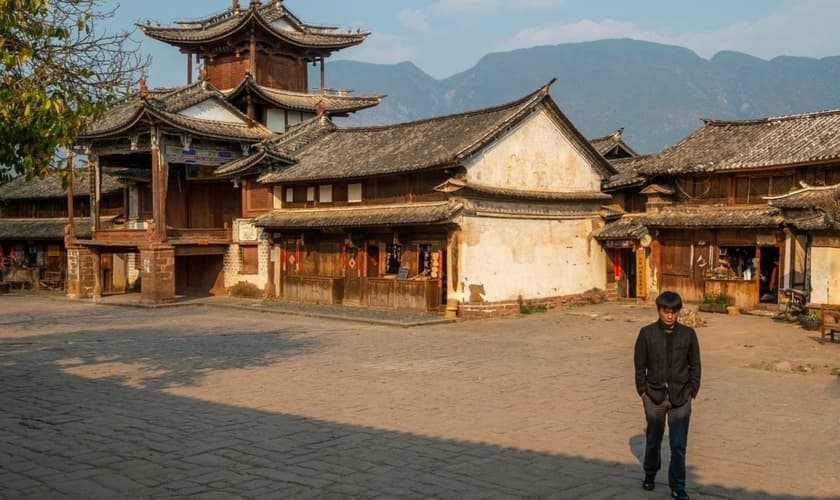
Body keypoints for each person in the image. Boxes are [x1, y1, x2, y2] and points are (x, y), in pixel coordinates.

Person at [634, 291, 701, 500]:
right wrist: (642, 391)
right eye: (666, 311)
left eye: (673, 312)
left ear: (678, 312)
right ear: (659, 310)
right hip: (654, 396)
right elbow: (639, 366)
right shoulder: (646, 334)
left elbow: (695, 365)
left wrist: (692, 390)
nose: (670, 316)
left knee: (678, 445)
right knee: (653, 440)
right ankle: (650, 473)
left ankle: (678, 485)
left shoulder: (688, 334)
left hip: (681, 397)